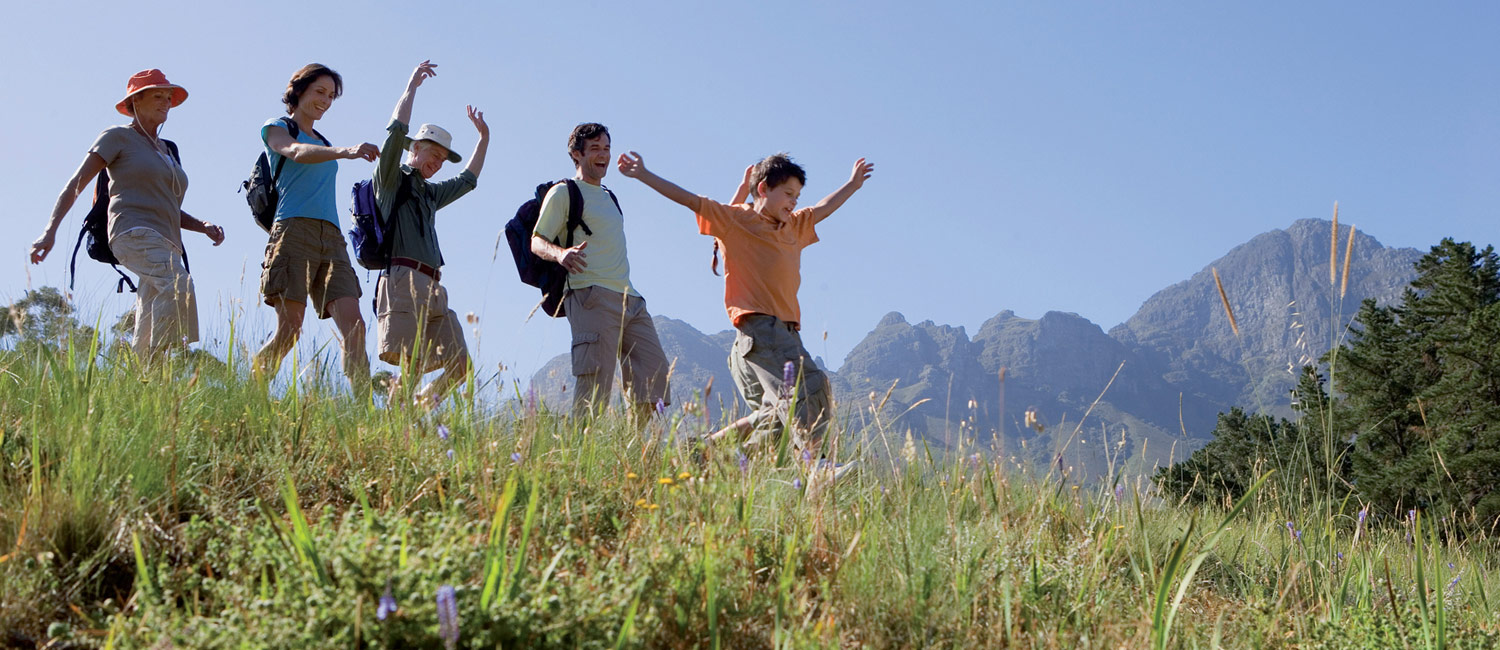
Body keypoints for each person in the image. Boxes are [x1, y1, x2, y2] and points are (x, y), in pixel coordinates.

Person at [616, 151, 873, 460]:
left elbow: (823, 208)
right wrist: (643, 174)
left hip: (776, 337)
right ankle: (816, 466)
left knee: (774, 417)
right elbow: (691, 200)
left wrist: (852, 184)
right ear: (763, 189)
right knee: (810, 387)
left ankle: (706, 453)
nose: (794, 202)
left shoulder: (793, 225)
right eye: (788, 194)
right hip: (761, 328)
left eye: (797, 196)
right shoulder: (737, 220)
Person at [28, 69, 224, 361]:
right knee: (178, 286)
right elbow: (75, 184)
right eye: (157, 96)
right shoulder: (117, 137)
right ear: (135, 101)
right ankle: (157, 366)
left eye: (168, 97)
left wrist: (202, 226)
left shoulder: (168, 150)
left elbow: (167, 206)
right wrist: (50, 231)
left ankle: (141, 378)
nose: (166, 102)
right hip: (132, 232)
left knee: (148, 319)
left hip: (167, 242)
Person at [252, 63, 381, 398]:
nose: (325, 100)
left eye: (331, 96)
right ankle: (252, 390)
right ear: (299, 90)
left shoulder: (323, 141)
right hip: (293, 229)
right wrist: (346, 151)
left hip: (332, 239)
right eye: (319, 92)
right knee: (290, 330)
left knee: (355, 328)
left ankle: (361, 411)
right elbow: (295, 152)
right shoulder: (278, 127)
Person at [529, 124, 671, 422]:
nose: (603, 155)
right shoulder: (563, 192)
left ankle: (631, 446)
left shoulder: (610, 197)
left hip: (631, 300)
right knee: (595, 387)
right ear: (576, 154)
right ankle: (580, 447)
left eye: (606, 148)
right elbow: (537, 241)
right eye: (595, 149)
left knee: (654, 378)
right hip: (590, 295)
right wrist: (561, 254)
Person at [371, 60, 489, 408]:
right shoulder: (391, 180)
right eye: (433, 154)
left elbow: (467, 180)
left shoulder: (430, 194)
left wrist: (484, 139)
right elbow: (395, 133)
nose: (437, 163)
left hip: (434, 286)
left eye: (442, 159)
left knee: (460, 365)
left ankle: (414, 411)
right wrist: (411, 87)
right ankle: (397, 423)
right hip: (402, 279)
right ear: (415, 149)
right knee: (410, 364)